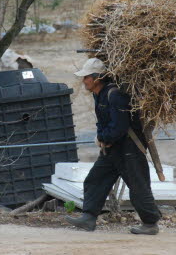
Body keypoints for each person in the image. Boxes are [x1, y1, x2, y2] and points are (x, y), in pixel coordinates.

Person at [65, 58, 162, 235]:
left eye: (86, 77)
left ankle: (150, 224)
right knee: (95, 179)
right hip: (112, 147)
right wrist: (101, 136)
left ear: (96, 78)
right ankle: (88, 218)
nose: (83, 81)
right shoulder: (98, 94)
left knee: (138, 186)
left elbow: (120, 126)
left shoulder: (115, 95)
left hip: (129, 148)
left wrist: (103, 137)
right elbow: (103, 122)